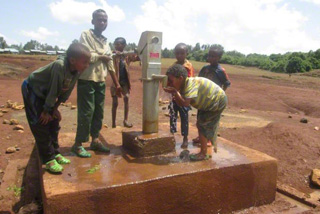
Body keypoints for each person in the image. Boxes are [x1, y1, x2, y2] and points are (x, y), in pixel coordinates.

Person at [21, 43, 91, 173]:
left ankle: (55, 153)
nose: (87, 65)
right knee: (40, 123)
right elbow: (54, 90)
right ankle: (48, 159)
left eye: (88, 62)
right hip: (33, 89)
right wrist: (47, 110)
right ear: (72, 60)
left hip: (46, 94)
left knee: (54, 121)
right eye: (85, 62)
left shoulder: (76, 71)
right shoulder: (59, 66)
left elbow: (65, 92)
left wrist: (54, 109)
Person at [72, 9, 122, 158]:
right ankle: (78, 144)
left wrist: (117, 84)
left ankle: (95, 140)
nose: (102, 23)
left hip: (100, 81)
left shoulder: (106, 41)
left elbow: (110, 63)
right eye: (99, 20)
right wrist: (101, 57)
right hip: (87, 80)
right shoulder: (86, 35)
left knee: (98, 112)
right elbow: (85, 55)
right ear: (92, 21)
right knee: (86, 112)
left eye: (105, 20)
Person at [164, 64, 227, 161]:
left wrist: (175, 93)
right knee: (200, 123)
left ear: (180, 78)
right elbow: (181, 102)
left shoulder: (190, 85)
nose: (169, 84)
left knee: (203, 125)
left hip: (216, 101)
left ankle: (203, 153)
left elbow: (185, 104)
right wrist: (175, 93)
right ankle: (204, 138)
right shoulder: (183, 84)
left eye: (171, 81)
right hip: (207, 102)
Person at [193, 46, 231, 144]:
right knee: (200, 120)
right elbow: (199, 81)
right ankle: (201, 137)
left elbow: (226, 83)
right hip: (203, 100)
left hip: (213, 101)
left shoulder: (221, 71)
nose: (211, 58)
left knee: (211, 122)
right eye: (209, 55)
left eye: (214, 56)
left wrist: (220, 95)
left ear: (219, 58)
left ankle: (209, 139)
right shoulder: (205, 69)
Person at [169, 43, 194, 148]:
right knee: (173, 116)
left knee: (184, 118)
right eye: (177, 53)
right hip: (174, 97)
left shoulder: (188, 66)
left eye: (182, 53)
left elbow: (189, 81)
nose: (179, 55)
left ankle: (185, 139)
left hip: (184, 96)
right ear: (175, 53)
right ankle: (172, 137)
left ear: (186, 53)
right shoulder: (173, 66)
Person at [111, 37, 139, 128]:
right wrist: (115, 53)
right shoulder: (113, 55)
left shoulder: (127, 56)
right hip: (115, 81)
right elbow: (109, 56)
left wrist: (138, 52)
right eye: (116, 44)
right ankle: (113, 123)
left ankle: (125, 120)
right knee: (115, 103)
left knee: (126, 98)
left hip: (125, 81)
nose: (117, 46)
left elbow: (136, 57)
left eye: (119, 44)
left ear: (124, 45)